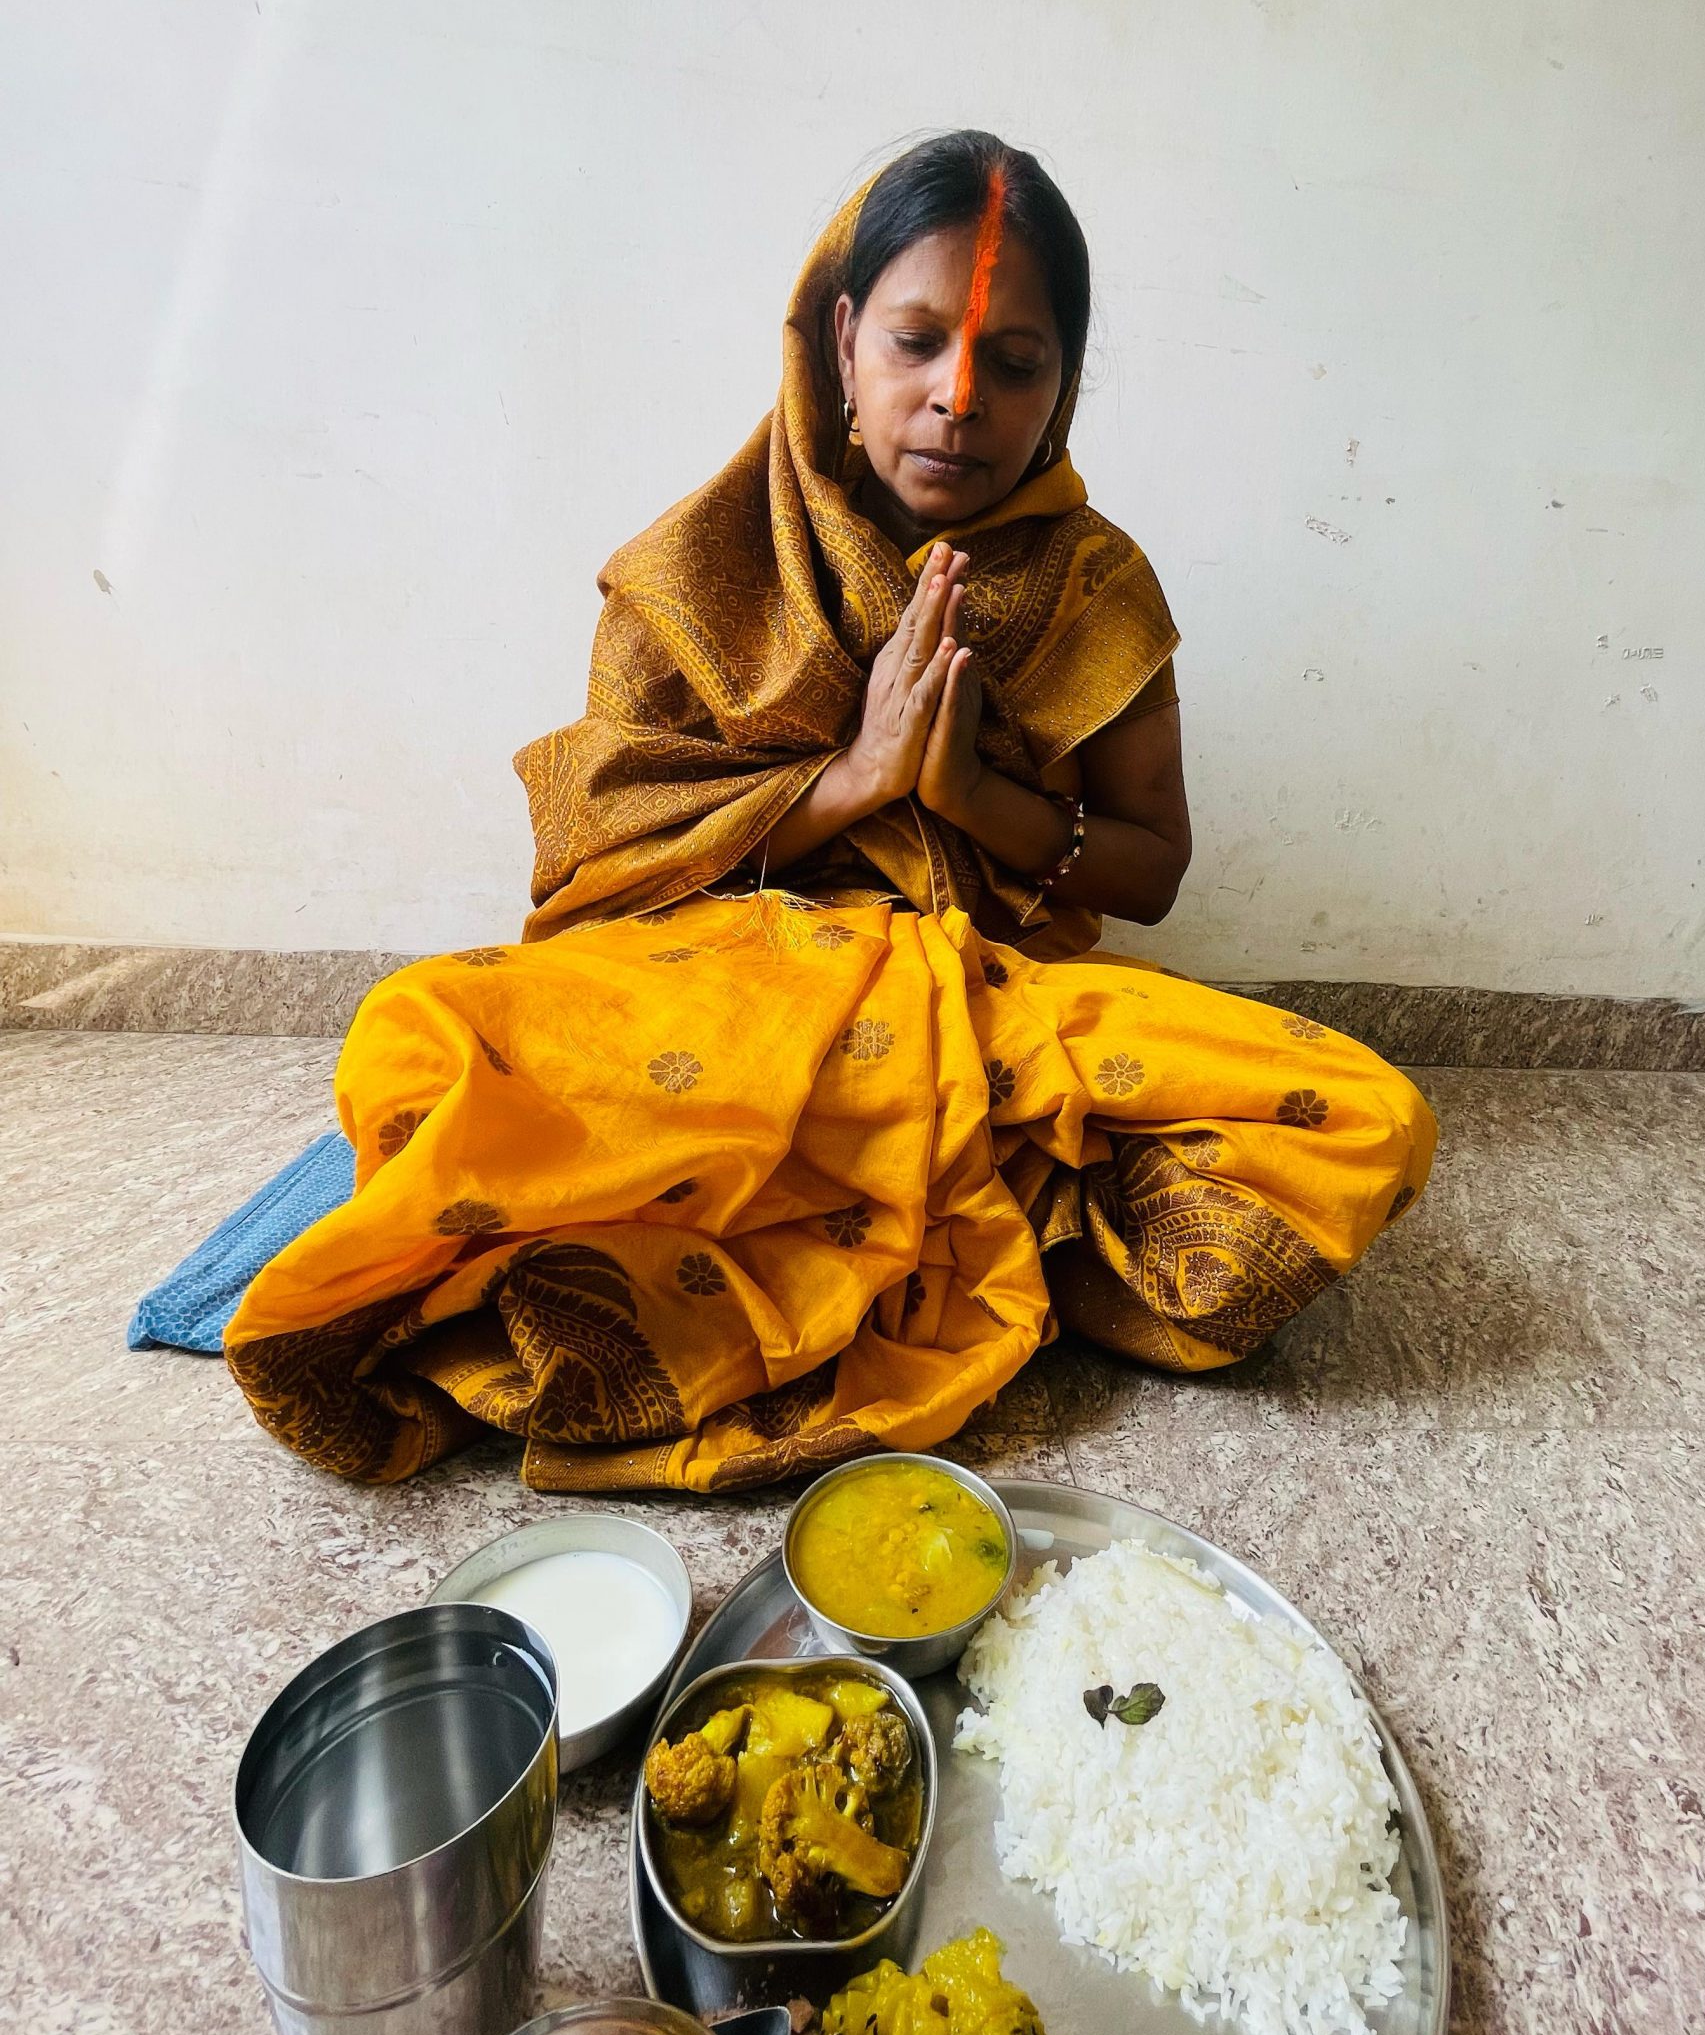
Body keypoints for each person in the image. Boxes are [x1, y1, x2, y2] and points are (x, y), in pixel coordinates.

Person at [223, 131, 1435, 1492]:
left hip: (983, 1007)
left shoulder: (1094, 585)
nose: (959, 397)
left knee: (1362, 1118)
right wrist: (854, 781)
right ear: (843, 339)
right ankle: (954, 1212)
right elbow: (595, 861)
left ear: (1064, 383)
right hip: (721, 1002)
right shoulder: (701, 564)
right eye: (917, 342)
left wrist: (971, 798)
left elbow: (1150, 870)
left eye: (1015, 363)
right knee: (427, 1034)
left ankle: (846, 1209)